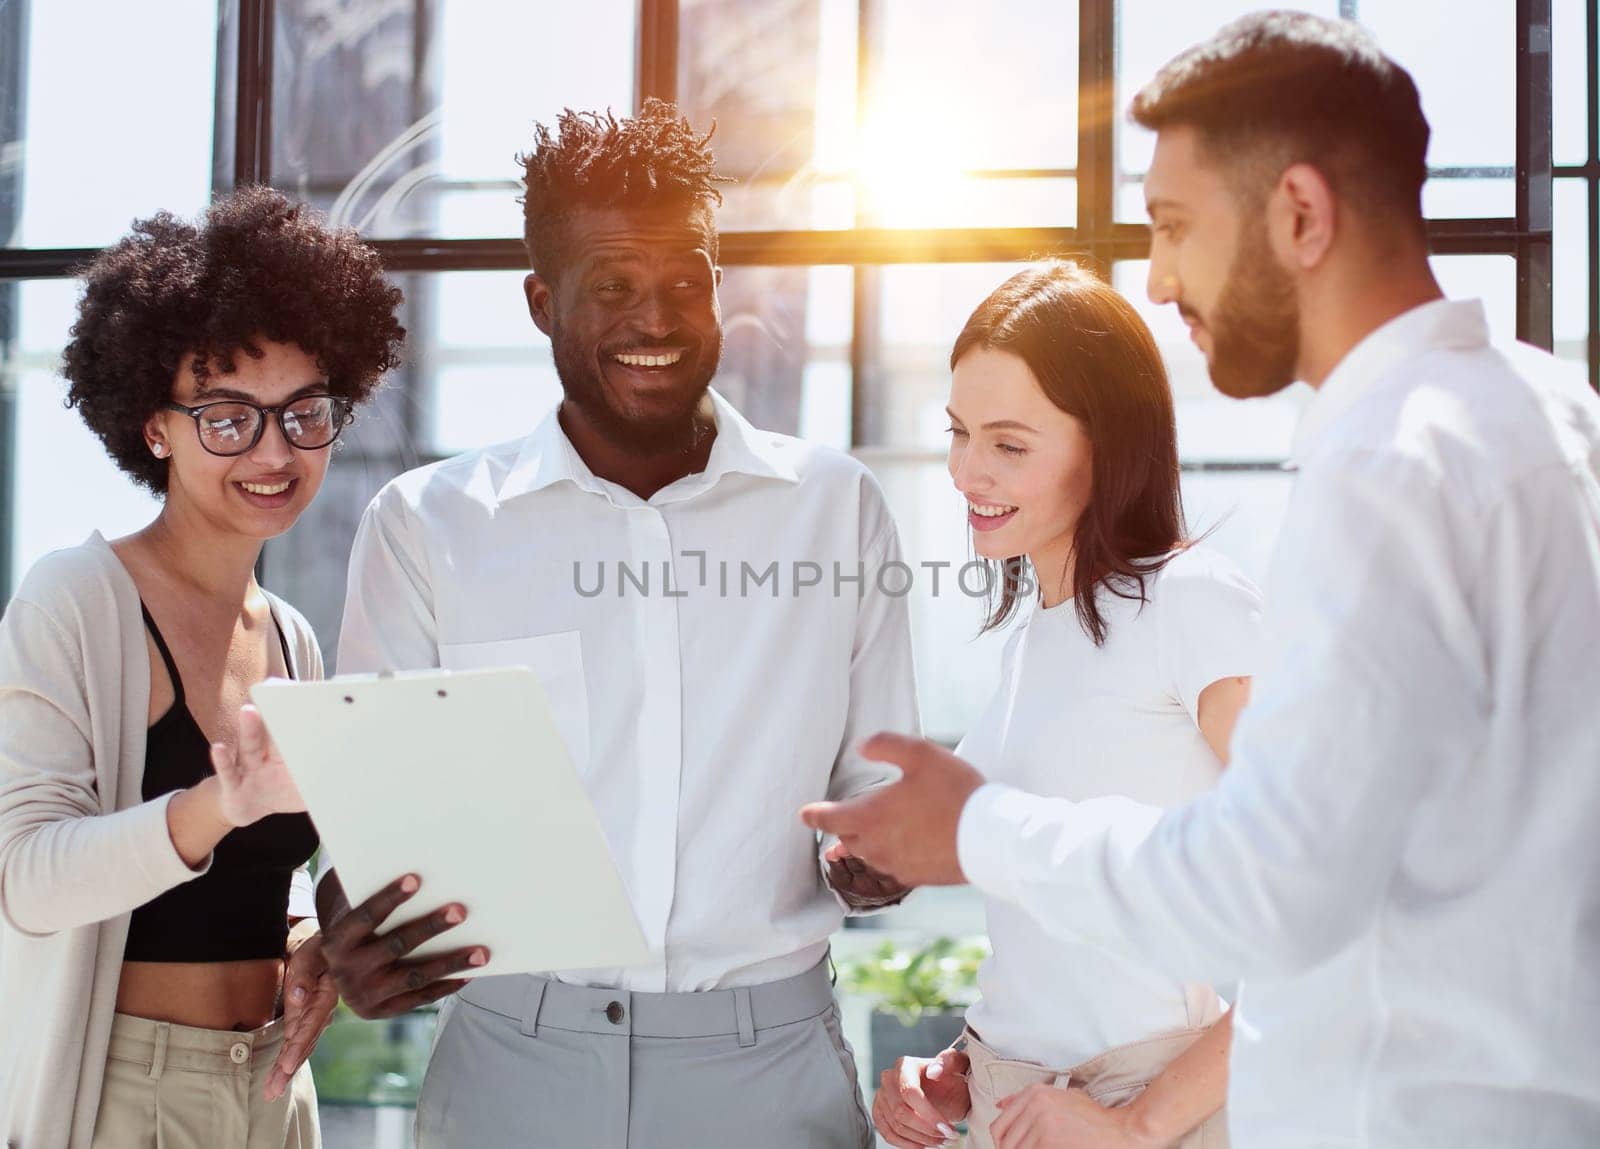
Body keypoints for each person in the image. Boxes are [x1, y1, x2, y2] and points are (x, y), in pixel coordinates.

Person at [803, 12, 1600, 1148]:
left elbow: (1277, 879)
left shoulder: (1388, 460)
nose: (1161, 274)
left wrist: (980, 832)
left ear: (1299, 213)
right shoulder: (1546, 411)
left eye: (1175, 226)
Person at [313, 100, 919, 1148]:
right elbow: (381, 829)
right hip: (511, 1067)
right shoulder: (426, 525)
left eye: (686, 284)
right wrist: (356, 926)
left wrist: (885, 854)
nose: (657, 322)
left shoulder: (835, 504)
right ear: (542, 302)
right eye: (612, 289)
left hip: (766, 1069)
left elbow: (879, 791)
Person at [0, 187, 405, 1148]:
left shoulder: (292, 636)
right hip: (123, 1094)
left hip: (271, 1090)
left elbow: (265, 876)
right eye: (229, 418)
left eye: (305, 412)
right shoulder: (75, 599)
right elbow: (26, 877)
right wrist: (218, 803)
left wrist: (304, 938)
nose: (274, 450)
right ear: (155, 426)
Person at [866, 263, 1257, 1149]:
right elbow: (1057, 948)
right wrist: (964, 1073)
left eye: (1009, 444)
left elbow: (1336, 886)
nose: (967, 469)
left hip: (1145, 1114)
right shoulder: (1027, 642)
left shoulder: (1191, 601)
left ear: (1108, 444)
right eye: (960, 432)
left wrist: (1142, 1121)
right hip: (1020, 1113)